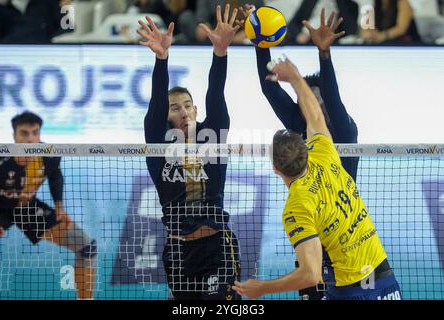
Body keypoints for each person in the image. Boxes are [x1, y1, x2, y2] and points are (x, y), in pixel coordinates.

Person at [232, 56, 402, 300]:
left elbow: (311, 275)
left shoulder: (296, 207)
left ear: (276, 169)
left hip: (350, 291)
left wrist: (262, 288)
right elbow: (315, 117)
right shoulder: (324, 153)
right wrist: (295, 79)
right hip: (384, 280)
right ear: (306, 147)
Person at [240, 5, 359, 299]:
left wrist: (324, 54)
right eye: (307, 99)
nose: (311, 105)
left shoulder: (344, 131)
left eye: (316, 99)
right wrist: (261, 44)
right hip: (312, 235)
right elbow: (269, 91)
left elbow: (331, 96)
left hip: (345, 237)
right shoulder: (298, 124)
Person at [137, 4, 241, 300]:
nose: (183, 112)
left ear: (196, 109)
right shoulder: (159, 145)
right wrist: (162, 59)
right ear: (167, 117)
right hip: (179, 250)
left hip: (217, 245)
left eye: (187, 105)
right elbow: (156, 104)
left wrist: (220, 54)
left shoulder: (213, 136)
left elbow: (216, 93)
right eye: (175, 108)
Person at [0, 111, 96, 300]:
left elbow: (55, 175)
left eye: (35, 133)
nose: (30, 139)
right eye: (24, 133)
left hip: (28, 209)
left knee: (87, 246)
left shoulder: (48, 155)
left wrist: (59, 206)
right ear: (14, 135)